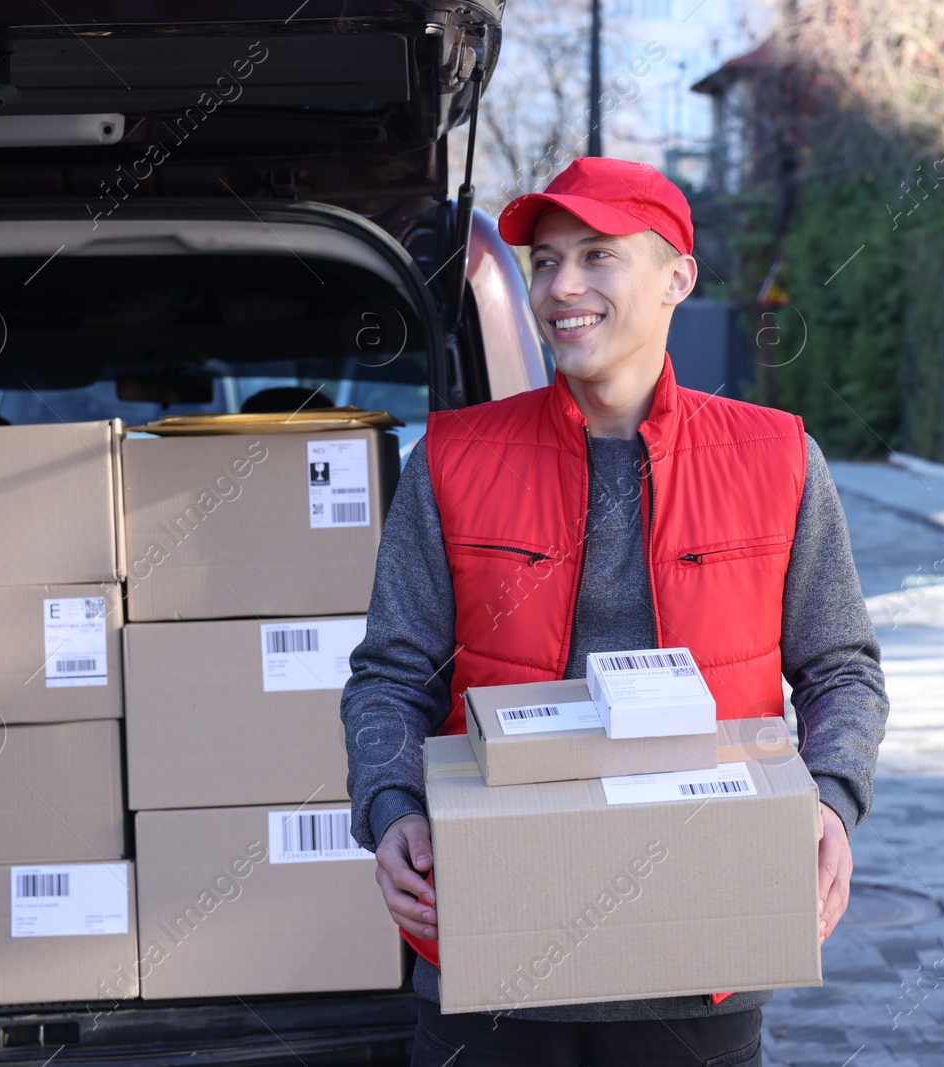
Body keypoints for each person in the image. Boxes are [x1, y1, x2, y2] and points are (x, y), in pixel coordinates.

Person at [340, 155, 890, 1066]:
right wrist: (391, 807)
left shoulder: (777, 459)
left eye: (598, 256)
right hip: (491, 947)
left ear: (678, 277)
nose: (563, 286)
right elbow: (392, 675)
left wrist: (831, 797)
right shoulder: (452, 463)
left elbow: (842, 667)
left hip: (706, 950)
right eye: (547, 261)